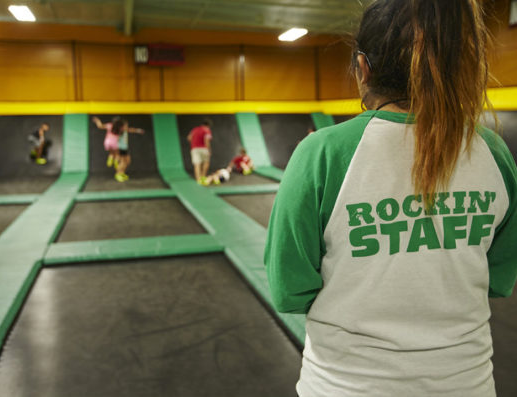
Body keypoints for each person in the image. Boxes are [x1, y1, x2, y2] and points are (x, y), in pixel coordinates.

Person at [264, 1, 517, 397]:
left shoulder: (322, 154)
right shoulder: (493, 152)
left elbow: (288, 287)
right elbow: (499, 278)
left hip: (344, 386)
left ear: (363, 68)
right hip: (466, 385)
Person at [114, 118, 144, 183]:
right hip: (121, 148)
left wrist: (138, 130)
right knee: (123, 162)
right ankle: (118, 174)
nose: (126, 126)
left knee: (128, 161)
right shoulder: (119, 131)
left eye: (126, 125)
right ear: (122, 126)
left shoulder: (125, 130)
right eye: (125, 125)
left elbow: (131, 130)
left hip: (125, 148)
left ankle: (121, 173)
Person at [187, 118, 212, 184]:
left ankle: (198, 180)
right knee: (206, 162)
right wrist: (209, 150)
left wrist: (194, 143)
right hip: (203, 148)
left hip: (194, 149)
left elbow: (189, 138)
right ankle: (203, 177)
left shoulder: (195, 129)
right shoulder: (207, 130)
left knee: (197, 164)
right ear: (208, 125)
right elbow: (206, 140)